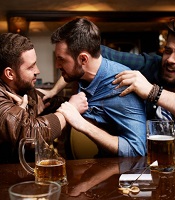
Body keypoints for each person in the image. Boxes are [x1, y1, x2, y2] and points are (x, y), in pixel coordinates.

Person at [0, 33, 88, 164]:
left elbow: (57, 103)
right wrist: (69, 111)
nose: (37, 71)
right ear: (10, 73)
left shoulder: (24, 89)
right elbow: (28, 134)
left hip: (17, 176)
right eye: (31, 67)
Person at [100, 15, 175, 154]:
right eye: (168, 51)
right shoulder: (153, 65)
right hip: (151, 165)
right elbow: (101, 53)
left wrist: (153, 92)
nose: (170, 60)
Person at [50, 18, 147, 157]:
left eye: (61, 59)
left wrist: (82, 124)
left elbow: (137, 149)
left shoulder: (121, 86)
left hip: (115, 174)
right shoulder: (84, 72)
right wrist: (51, 94)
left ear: (83, 59)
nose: (57, 65)